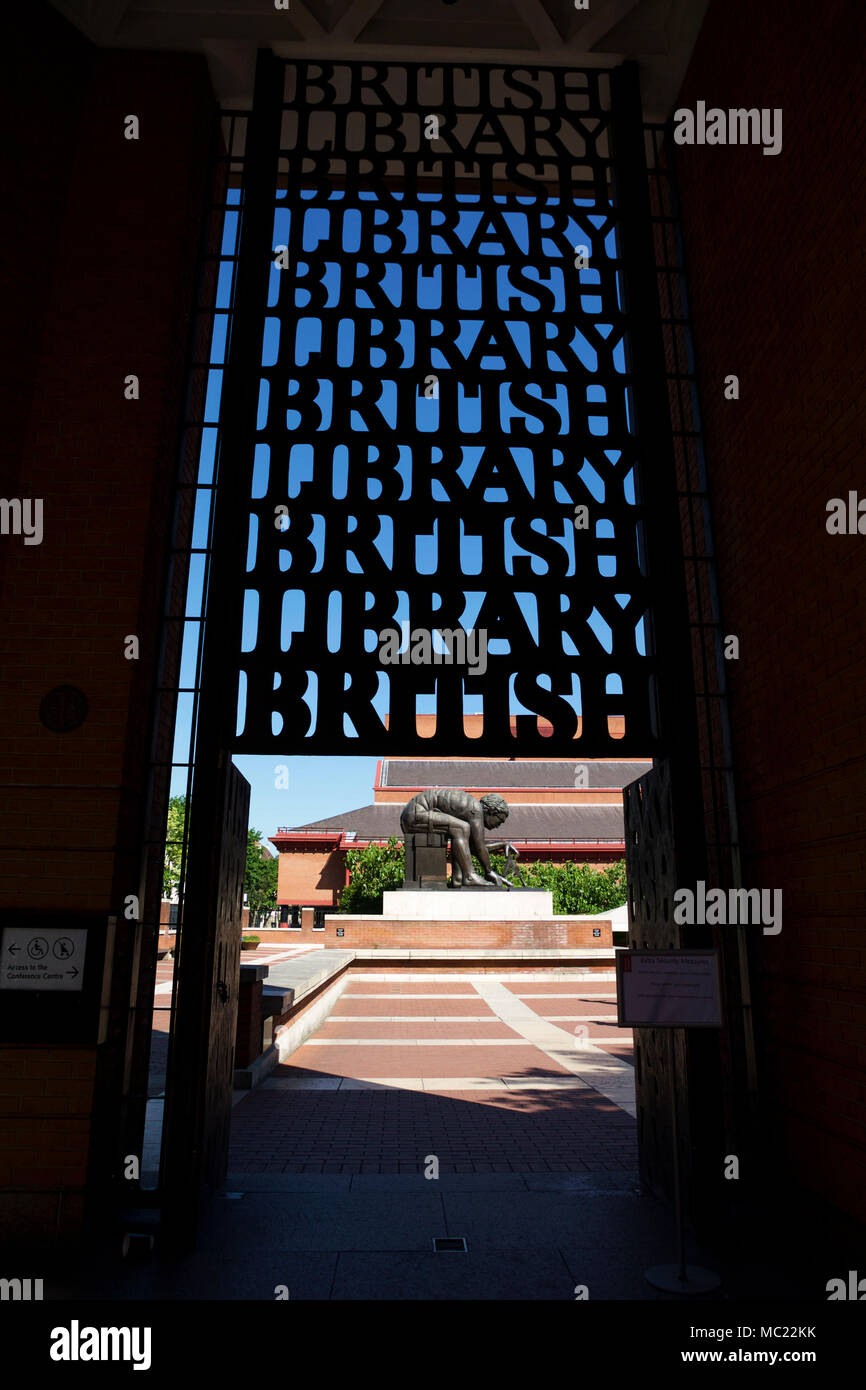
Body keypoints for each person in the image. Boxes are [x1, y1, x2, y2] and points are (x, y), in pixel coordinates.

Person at [399, 787, 513, 888]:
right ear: (492, 811)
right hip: (415, 815)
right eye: (500, 820)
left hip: (413, 814)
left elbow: (471, 847)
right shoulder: (476, 810)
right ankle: (469, 876)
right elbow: (479, 848)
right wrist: (489, 871)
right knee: (461, 828)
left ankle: (458, 879)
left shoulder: (472, 807)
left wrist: (502, 844)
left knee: (460, 834)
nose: (498, 826)